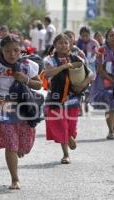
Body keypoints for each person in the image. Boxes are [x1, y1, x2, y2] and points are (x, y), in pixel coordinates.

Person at [0, 35, 42, 189]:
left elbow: (39, 85)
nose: (12, 54)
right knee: (11, 143)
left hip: (23, 105)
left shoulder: (27, 65)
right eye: (7, 51)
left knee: (24, 143)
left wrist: (25, 79)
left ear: (21, 50)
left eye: (16, 50)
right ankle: (15, 179)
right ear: (1, 51)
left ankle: (18, 148)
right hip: (1, 105)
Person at [43, 33, 93, 164]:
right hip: (56, 97)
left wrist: (82, 84)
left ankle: (70, 135)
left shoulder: (76, 58)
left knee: (71, 125)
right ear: (55, 45)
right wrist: (63, 67)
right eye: (60, 43)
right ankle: (66, 154)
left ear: (70, 45)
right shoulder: (50, 60)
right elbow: (47, 74)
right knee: (60, 124)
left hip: (73, 97)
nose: (63, 45)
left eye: (66, 43)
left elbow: (91, 74)